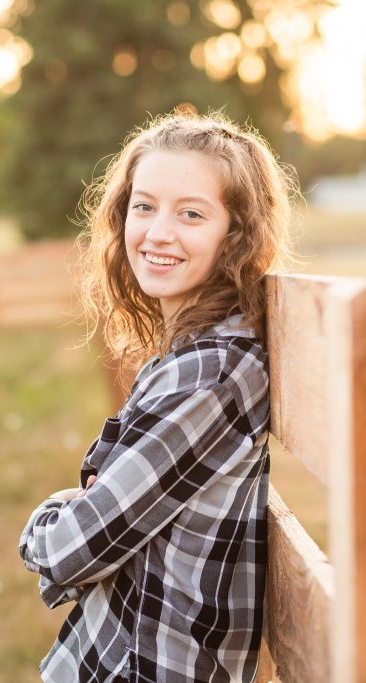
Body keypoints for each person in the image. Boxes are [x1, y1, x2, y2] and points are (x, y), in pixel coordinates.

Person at [18, 110, 300, 682]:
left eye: (191, 213)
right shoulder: (188, 357)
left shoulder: (211, 374)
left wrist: (48, 517)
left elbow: (75, 546)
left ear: (235, 235)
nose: (157, 232)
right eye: (144, 206)